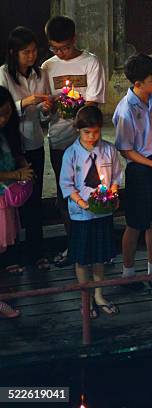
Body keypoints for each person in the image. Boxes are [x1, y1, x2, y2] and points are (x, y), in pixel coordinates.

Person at [42, 16, 106, 267]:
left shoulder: (91, 63)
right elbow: (45, 108)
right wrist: (48, 106)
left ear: (75, 39)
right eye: (55, 48)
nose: (61, 53)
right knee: (66, 193)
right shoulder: (47, 67)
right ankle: (74, 245)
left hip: (87, 142)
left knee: (92, 190)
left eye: (65, 47)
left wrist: (75, 111)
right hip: (58, 139)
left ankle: (97, 246)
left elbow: (93, 102)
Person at [113, 54, 152, 295]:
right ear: (137, 83)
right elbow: (126, 150)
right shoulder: (125, 110)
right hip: (141, 168)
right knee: (135, 223)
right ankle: (128, 273)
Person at [60, 106, 122, 318]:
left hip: (103, 214)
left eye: (95, 132)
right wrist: (82, 202)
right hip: (81, 215)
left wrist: (113, 195)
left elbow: (115, 178)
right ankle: (85, 298)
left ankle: (99, 295)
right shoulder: (71, 154)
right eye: (86, 133)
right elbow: (66, 185)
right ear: (78, 130)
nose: (92, 137)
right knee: (82, 257)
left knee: (99, 256)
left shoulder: (109, 150)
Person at [0, 26, 52, 270]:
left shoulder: (40, 75)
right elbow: (3, 108)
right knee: (8, 202)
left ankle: (37, 252)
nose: (31, 56)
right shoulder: (4, 74)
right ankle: (12, 254)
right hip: (10, 144)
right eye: (26, 52)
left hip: (33, 143)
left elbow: (43, 118)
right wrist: (25, 103)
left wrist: (46, 110)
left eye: (34, 51)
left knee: (33, 197)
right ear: (13, 53)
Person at [0, 86, 34, 317]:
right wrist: (16, 176)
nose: (3, 119)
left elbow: (13, 154)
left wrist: (21, 164)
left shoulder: (7, 132)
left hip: (4, 199)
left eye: (7, 113)